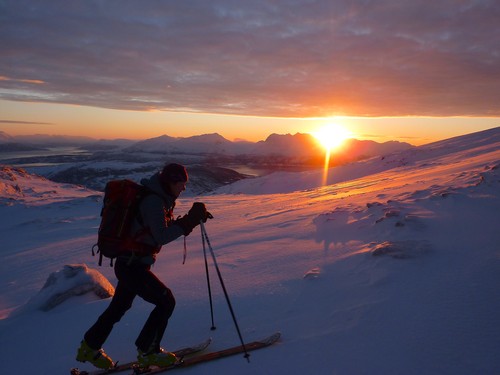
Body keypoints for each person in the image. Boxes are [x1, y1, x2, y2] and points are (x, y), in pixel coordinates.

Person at [76, 163, 210, 369]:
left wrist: (187, 221)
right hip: (133, 266)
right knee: (166, 301)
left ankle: (89, 346)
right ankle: (148, 351)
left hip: (130, 264)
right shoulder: (153, 201)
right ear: (171, 182)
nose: (184, 188)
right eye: (181, 184)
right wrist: (189, 222)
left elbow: (155, 231)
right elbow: (161, 236)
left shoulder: (158, 198)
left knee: (119, 307)